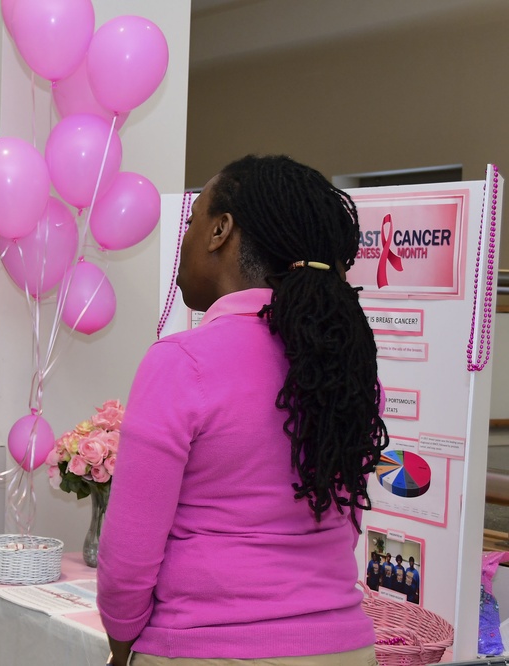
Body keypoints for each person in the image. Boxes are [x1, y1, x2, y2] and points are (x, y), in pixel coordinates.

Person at [97, 155, 389, 665]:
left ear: (220, 232)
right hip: (344, 647)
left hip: (205, 648)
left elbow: (127, 562)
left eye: (193, 222)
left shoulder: (181, 363)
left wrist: (122, 650)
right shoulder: (348, 371)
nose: (185, 238)